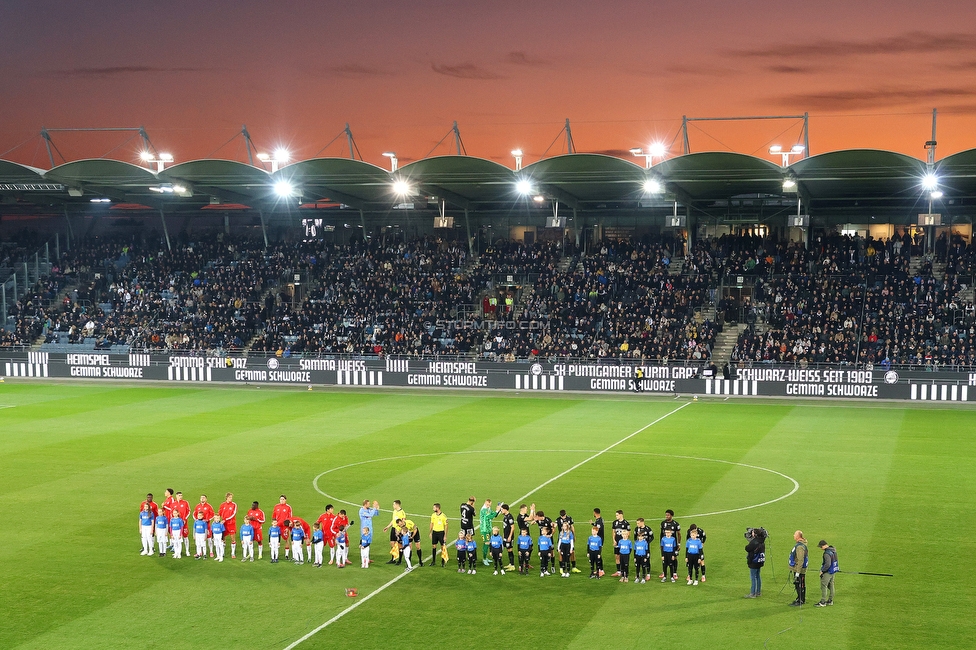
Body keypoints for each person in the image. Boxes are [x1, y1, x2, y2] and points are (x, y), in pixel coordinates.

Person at [744, 528, 766, 598]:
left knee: (753, 577)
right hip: (759, 561)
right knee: (758, 576)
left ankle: (752, 593)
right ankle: (758, 592)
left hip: (753, 561)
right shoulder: (762, 541)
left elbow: (747, 548)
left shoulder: (754, 542)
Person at [789, 531, 808, 606]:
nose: (793, 535)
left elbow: (800, 560)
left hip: (799, 570)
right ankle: (799, 598)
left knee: (800, 584)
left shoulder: (800, 547)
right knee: (798, 584)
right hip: (797, 568)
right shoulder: (800, 545)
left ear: (798, 536)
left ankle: (801, 600)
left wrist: (798, 572)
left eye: (795, 534)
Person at [817, 540, 839, 607]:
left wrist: (822, 571)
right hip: (833, 570)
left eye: (821, 547)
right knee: (831, 585)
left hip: (828, 572)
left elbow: (827, 564)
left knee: (824, 585)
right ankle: (830, 600)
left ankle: (823, 602)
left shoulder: (827, 553)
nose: (821, 548)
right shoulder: (833, 550)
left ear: (824, 545)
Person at [660, 509, 680, 578]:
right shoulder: (663, 523)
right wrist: (661, 544)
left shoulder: (676, 524)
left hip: (673, 544)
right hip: (665, 544)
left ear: (671, 515)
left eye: (668, 515)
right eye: (666, 515)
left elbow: (679, 534)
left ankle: (675, 572)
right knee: (664, 558)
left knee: (674, 557)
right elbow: (661, 534)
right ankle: (664, 572)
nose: (666, 516)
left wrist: (679, 544)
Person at [218, 493, 238, 559]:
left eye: (231, 497)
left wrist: (225, 519)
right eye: (229, 497)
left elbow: (233, 514)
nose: (231, 499)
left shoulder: (234, 505)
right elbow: (219, 514)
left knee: (233, 538)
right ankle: (222, 552)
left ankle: (233, 553)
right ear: (226, 497)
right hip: (224, 524)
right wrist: (217, 520)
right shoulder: (222, 505)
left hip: (231, 524)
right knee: (223, 538)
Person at [479, 498, 499, 565]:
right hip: (484, 530)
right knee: (486, 543)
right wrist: (497, 511)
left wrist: (498, 510)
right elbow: (489, 517)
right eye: (487, 504)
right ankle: (484, 559)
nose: (488, 506)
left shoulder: (488, 509)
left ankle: (486, 558)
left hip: (488, 529)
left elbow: (494, 515)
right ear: (485, 503)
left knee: (487, 543)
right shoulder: (484, 510)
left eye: (489, 504)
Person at [611, 510, 631, 577]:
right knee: (617, 556)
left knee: (623, 557)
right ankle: (618, 571)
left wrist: (624, 540)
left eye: (617, 515)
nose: (616, 516)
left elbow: (629, 534)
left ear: (621, 515)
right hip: (616, 542)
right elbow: (613, 532)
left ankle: (624, 571)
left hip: (623, 543)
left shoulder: (626, 523)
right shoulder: (615, 522)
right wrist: (614, 540)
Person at [171, 492, 191, 556]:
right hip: (176, 523)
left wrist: (184, 519)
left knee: (185, 536)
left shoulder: (185, 502)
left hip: (184, 523)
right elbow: (172, 513)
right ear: (176, 496)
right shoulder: (173, 504)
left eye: (181, 495)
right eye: (179, 495)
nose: (181, 496)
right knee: (176, 537)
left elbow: (189, 511)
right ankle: (177, 551)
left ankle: (187, 551)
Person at [430, 503, 449, 568]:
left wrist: (445, 536)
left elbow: (446, 526)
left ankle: (443, 561)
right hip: (434, 532)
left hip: (441, 533)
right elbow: (431, 524)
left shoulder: (443, 516)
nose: (433, 509)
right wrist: (430, 532)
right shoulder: (433, 515)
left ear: (437, 508)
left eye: (434, 508)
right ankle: (433, 561)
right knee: (434, 546)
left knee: (442, 547)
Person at [500, 503, 516, 571]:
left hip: (509, 537)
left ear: (505, 509)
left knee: (510, 550)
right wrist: (504, 534)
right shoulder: (505, 516)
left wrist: (510, 536)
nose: (501, 511)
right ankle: (510, 564)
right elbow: (505, 527)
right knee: (507, 550)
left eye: (502, 509)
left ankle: (512, 565)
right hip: (505, 536)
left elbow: (513, 527)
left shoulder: (510, 517)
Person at [590, 508, 605, 577]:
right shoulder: (599, 520)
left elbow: (598, 528)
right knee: (597, 555)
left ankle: (601, 570)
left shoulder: (599, 521)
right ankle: (599, 569)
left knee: (598, 555)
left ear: (595, 513)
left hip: (599, 540)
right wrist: (593, 523)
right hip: (598, 539)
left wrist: (594, 526)